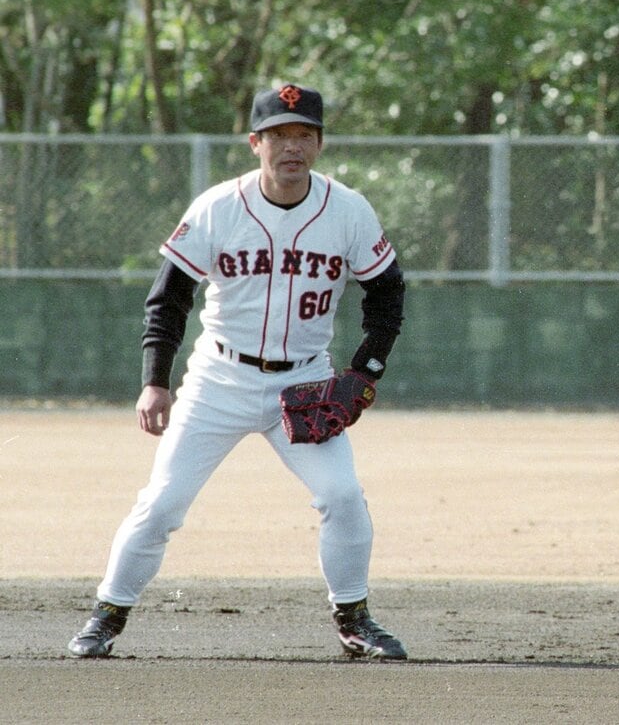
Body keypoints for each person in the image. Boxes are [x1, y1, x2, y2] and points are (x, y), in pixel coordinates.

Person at [67, 84, 408, 661]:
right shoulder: (218, 207)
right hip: (218, 381)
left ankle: (354, 618)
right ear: (255, 143)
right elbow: (169, 298)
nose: (291, 147)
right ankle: (106, 615)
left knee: (343, 495)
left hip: (304, 382)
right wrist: (155, 378)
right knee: (163, 504)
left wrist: (364, 370)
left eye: (303, 134)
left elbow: (388, 293)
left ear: (320, 144)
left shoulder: (348, 209)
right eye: (278, 135)